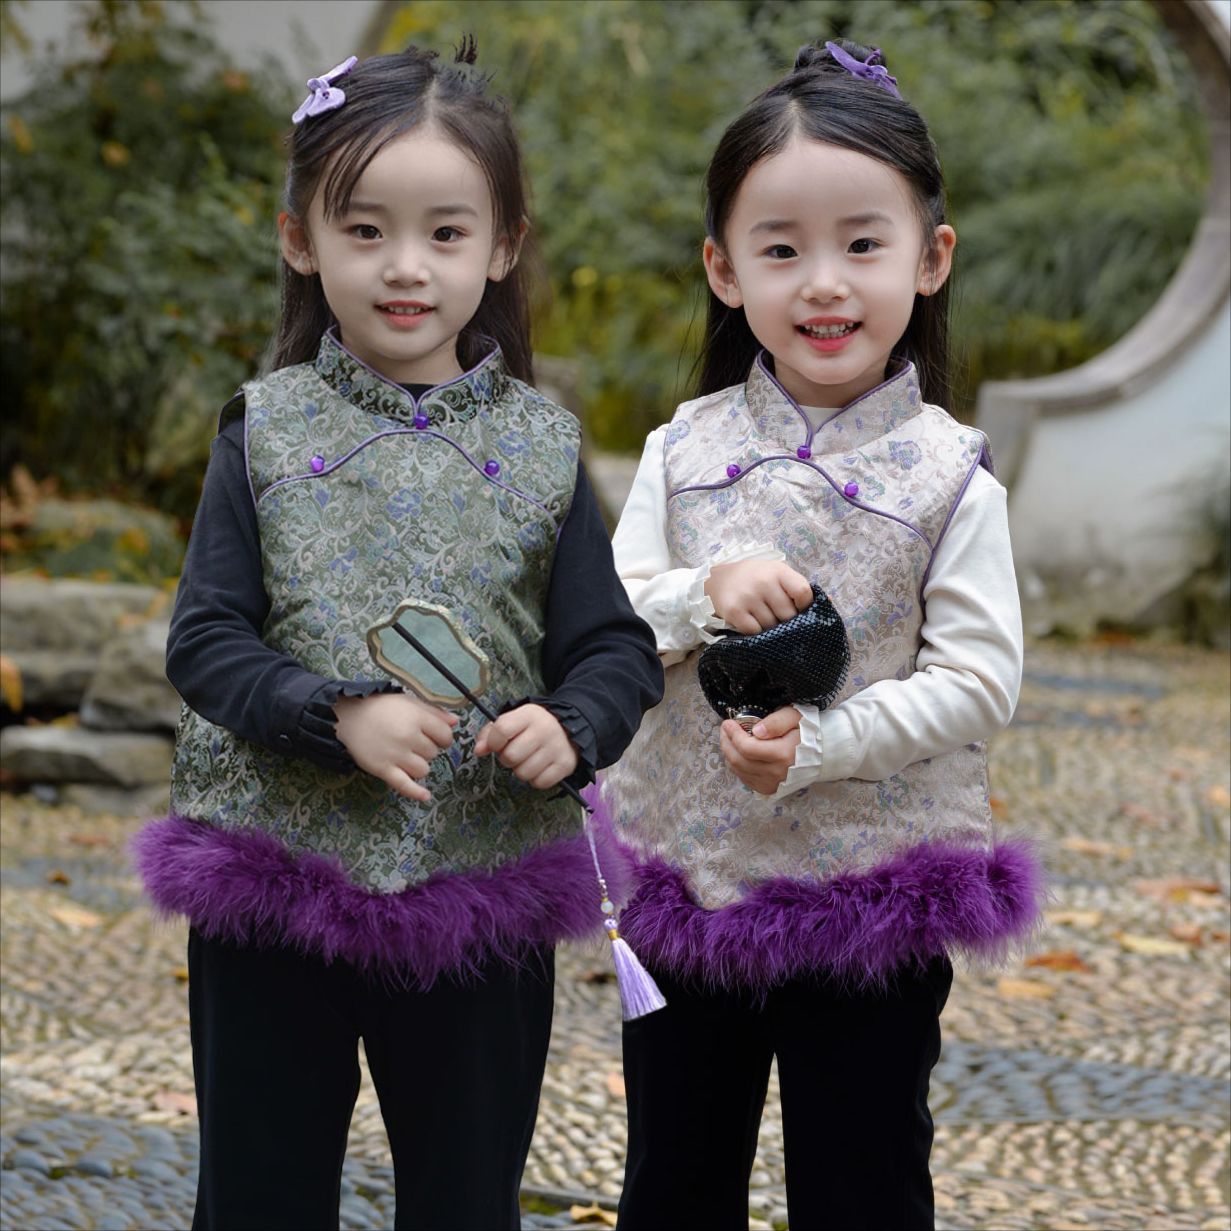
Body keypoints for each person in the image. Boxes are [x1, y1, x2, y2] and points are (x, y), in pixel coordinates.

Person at [133, 42, 662, 1231]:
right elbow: (205, 639)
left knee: (465, 1199)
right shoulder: (264, 429)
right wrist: (337, 714)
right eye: (364, 229)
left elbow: (613, 648)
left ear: (503, 246)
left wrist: (571, 723)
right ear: (300, 239)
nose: (405, 265)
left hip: (479, 893)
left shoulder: (540, 445)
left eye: (445, 232)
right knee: (259, 1198)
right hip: (276, 887)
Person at [598, 38, 1043, 1230]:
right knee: (674, 1183)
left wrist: (822, 746)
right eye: (782, 249)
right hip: (691, 885)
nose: (824, 284)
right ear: (723, 268)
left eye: (862, 244)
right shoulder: (681, 451)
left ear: (930, 257)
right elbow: (610, 620)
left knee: (862, 1187)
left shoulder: (950, 477)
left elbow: (978, 680)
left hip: (871, 900)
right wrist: (705, 590)